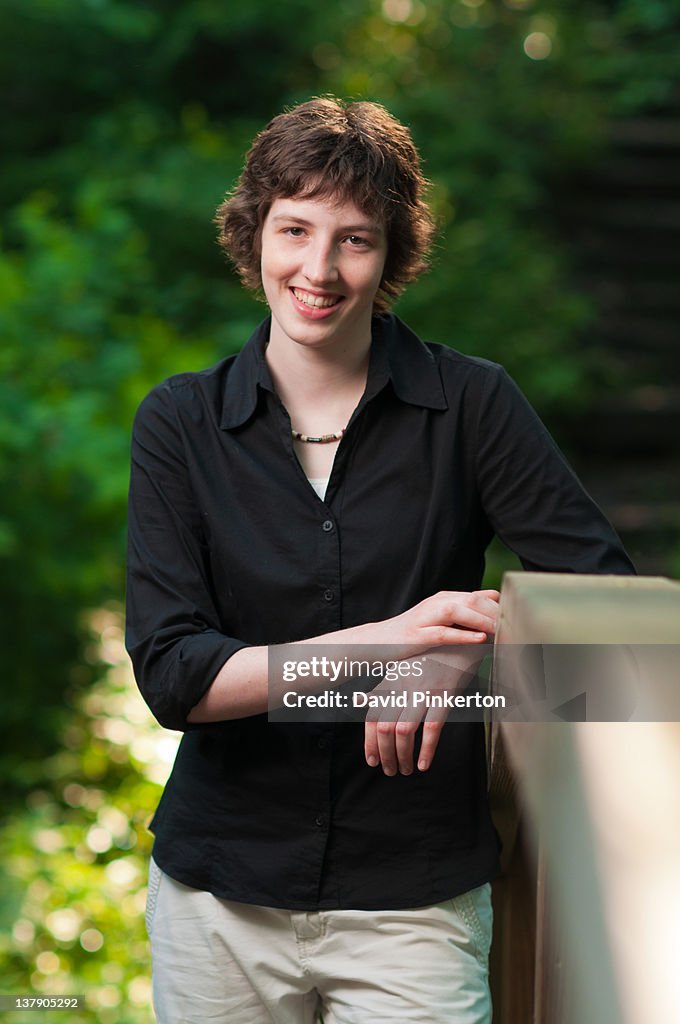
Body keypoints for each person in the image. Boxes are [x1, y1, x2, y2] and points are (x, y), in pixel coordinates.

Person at [125, 97, 634, 1024]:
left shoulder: (474, 406)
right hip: (217, 904)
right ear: (253, 233)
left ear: (393, 254)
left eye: (354, 240)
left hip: (415, 904)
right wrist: (390, 641)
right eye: (294, 230)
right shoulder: (180, 424)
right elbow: (173, 676)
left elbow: (612, 616)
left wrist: (464, 658)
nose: (317, 270)